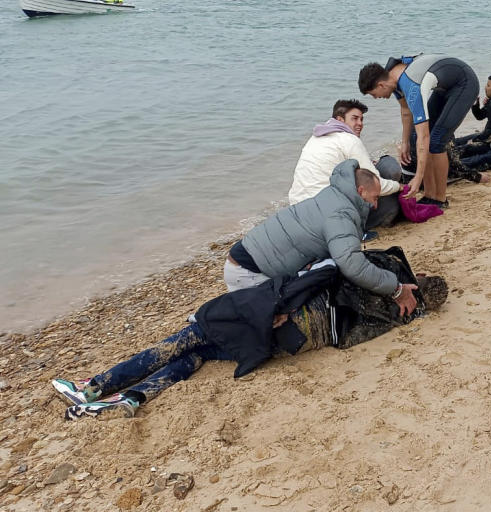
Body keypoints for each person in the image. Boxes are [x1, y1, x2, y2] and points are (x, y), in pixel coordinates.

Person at [51, 250, 448, 419]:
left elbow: (331, 271)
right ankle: (135, 395)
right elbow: (344, 335)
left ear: (417, 282)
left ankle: (93, 387)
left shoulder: (385, 276)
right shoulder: (401, 320)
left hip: (285, 319)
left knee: (192, 334)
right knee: (201, 353)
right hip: (288, 344)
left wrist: (282, 304)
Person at [224, 161, 419, 314]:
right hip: (249, 272)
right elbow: (352, 265)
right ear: (361, 191)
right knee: (290, 320)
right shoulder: (341, 215)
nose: (376, 205)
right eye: (375, 198)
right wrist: (396, 289)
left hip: (247, 255)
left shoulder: (334, 195)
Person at [358, 54, 480, 208]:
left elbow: (424, 136)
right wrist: (405, 142)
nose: (376, 98)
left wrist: (418, 176)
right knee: (414, 139)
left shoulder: (411, 85)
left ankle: (440, 199)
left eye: (373, 94)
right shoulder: (393, 79)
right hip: (445, 86)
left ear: (381, 85)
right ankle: (429, 195)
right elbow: (405, 110)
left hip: (465, 84)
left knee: (436, 142)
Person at [289, 99, 402, 229]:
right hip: (328, 215)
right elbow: (378, 184)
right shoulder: (349, 139)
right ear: (340, 120)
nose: (360, 123)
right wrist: (399, 187)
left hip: (298, 211)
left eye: (361, 119)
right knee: (391, 201)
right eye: (354, 119)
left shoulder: (316, 137)